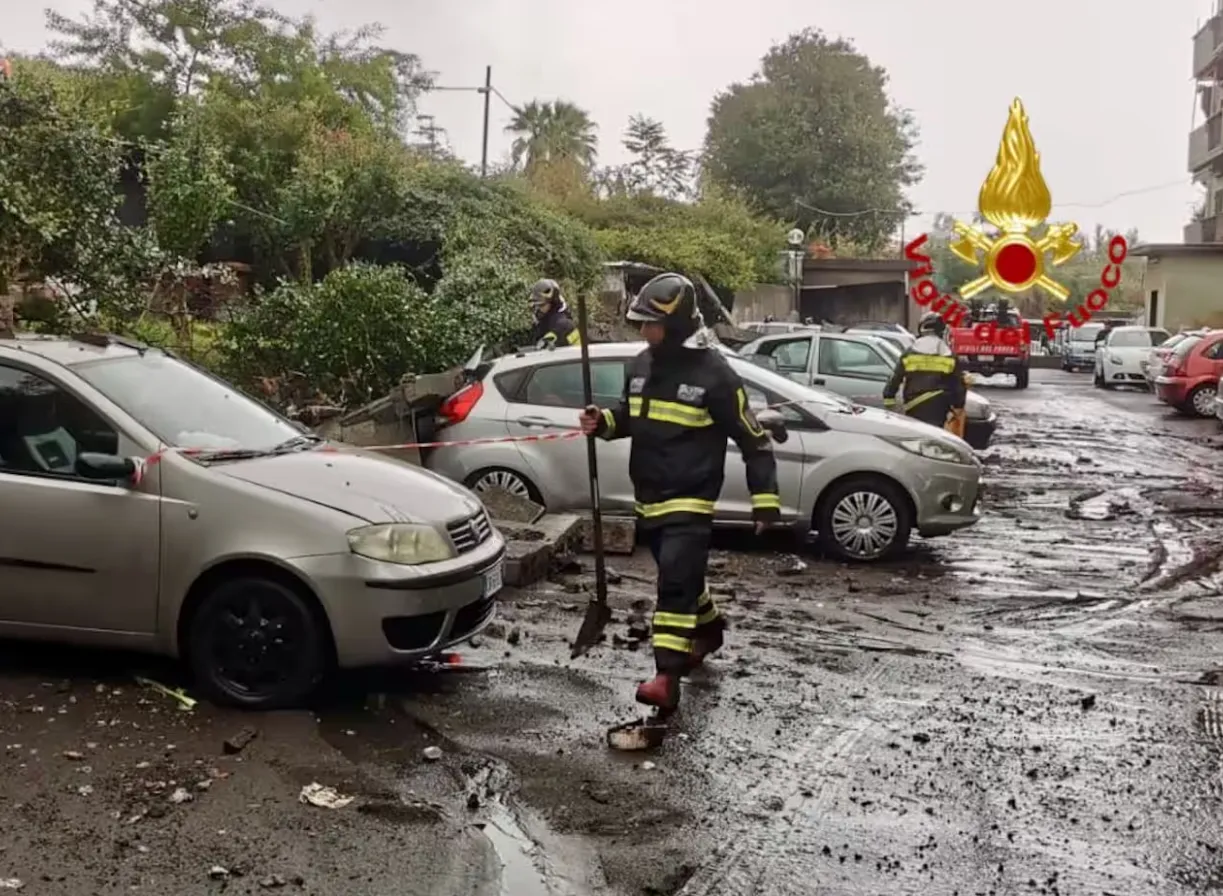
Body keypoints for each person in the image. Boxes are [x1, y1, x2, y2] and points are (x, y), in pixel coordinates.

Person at [578, 272, 781, 715]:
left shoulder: (716, 376)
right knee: (683, 576)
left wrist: (764, 498)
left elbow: (753, 438)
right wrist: (604, 423)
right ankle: (709, 631)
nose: (644, 332)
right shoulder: (640, 366)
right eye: (640, 324)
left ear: (679, 323)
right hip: (647, 495)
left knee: (673, 580)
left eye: (652, 324)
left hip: (690, 497)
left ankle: (666, 678)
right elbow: (631, 417)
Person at [882, 311, 967, 434]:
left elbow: (896, 377)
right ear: (941, 330)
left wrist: (889, 398)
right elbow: (958, 384)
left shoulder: (910, 352)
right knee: (935, 436)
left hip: (913, 404)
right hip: (939, 405)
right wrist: (958, 406)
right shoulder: (948, 354)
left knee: (916, 436)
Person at [528, 278, 580, 349]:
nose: (538, 309)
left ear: (553, 303)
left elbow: (546, 345)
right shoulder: (545, 322)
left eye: (541, 305)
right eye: (536, 305)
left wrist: (545, 342)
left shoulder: (562, 324)